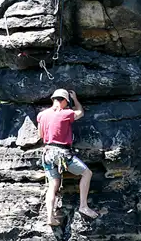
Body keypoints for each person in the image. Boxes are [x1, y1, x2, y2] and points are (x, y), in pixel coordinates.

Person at [37, 88, 98, 223]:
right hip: (62, 153)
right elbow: (80, 112)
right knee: (87, 173)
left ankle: (50, 217)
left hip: (47, 154)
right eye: (67, 102)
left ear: (53, 99)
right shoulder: (66, 113)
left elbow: (41, 135)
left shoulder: (42, 115)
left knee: (53, 185)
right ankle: (83, 206)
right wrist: (75, 100)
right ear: (64, 101)